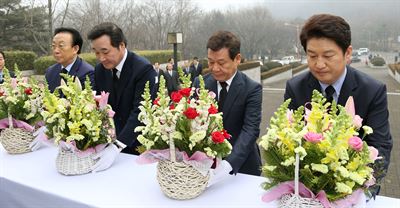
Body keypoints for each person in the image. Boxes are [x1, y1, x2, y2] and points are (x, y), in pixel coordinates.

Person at [284, 14, 392, 194]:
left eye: (328, 55)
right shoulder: (295, 88)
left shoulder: (373, 91)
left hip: (355, 190)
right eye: (312, 56)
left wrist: (361, 191)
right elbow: (290, 141)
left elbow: (380, 147)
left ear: (347, 53)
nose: (319, 64)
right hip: (308, 189)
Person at [194, 31, 262, 183]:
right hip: (206, 166)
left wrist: (228, 164)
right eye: (210, 62)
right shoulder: (200, 84)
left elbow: (250, 130)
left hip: (242, 166)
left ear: (237, 59)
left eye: (221, 63)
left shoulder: (252, 89)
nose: (215, 68)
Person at [88, 22, 156, 156]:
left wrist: (117, 146)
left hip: (137, 146)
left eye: (105, 52)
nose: (101, 58)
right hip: (108, 142)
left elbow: (140, 113)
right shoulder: (100, 70)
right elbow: (98, 105)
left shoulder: (143, 69)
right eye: (96, 53)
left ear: (121, 45)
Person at [45, 27, 94, 94]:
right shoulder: (50, 72)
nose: (56, 51)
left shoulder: (88, 73)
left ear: (75, 49)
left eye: (61, 46)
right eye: (53, 46)